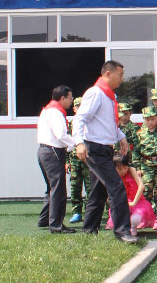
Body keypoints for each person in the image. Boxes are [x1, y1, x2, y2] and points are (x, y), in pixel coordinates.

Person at [71, 60, 137, 242]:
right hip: (95, 148)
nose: (122, 79)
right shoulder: (95, 93)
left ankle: (89, 231)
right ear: (108, 74)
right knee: (117, 187)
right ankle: (122, 232)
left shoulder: (110, 96)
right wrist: (79, 143)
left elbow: (107, 123)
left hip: (105, 148)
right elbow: (79, 119)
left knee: (98, 192)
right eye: (120, 75)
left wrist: (121, 136)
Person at [37, 85, 77, 233]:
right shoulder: (56, 112)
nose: (71, 101)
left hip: (44, 151)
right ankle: (56, 225)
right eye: (70, 97)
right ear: (62, 98)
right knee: (58, 190)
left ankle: (45, 219)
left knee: (51, 187)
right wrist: (76, 143)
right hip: (53, 152)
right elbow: (61, 135)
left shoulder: (47, 110)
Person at [106, 153, 156, 236]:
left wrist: (134, 202)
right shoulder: (112, 174)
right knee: (118, 214)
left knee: (138, 215)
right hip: (121, 201)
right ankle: (124, 227)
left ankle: (132, 226)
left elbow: (141, 186)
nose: (123, 171)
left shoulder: (131, 170)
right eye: (120, 169)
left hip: (136, 201)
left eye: (125, 168)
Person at [134, 106, 157, 218]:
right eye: (147, 119)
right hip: (146, 165)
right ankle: (145, 214)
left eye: (152, 119)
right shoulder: (140, 134)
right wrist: (138, 168)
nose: (150, 122)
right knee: (146, 190)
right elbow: (136, 152)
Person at [67, 96, 90, 225]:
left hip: (88, 159)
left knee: (90, 186)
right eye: (77, 106)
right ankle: (76, 212)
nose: (80, 108)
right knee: (75, 186)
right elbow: (67, 143)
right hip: (74, 159)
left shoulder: (90, 122)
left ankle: (89, 212)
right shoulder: (71, 123)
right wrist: (67, 161)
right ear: (74, 109)